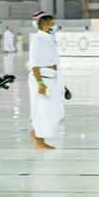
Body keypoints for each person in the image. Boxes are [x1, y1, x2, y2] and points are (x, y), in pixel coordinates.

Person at [28, 14, 64, 150]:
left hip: (52, 77)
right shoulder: (38, 40)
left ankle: (37, 133)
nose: (54, 26)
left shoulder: (49, 38)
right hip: (42, 78)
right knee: (42, 110)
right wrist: (40, 83)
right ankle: (39, 140)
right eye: (52, 23)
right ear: (45, 25)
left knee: (53, 111)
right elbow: (34, 63)